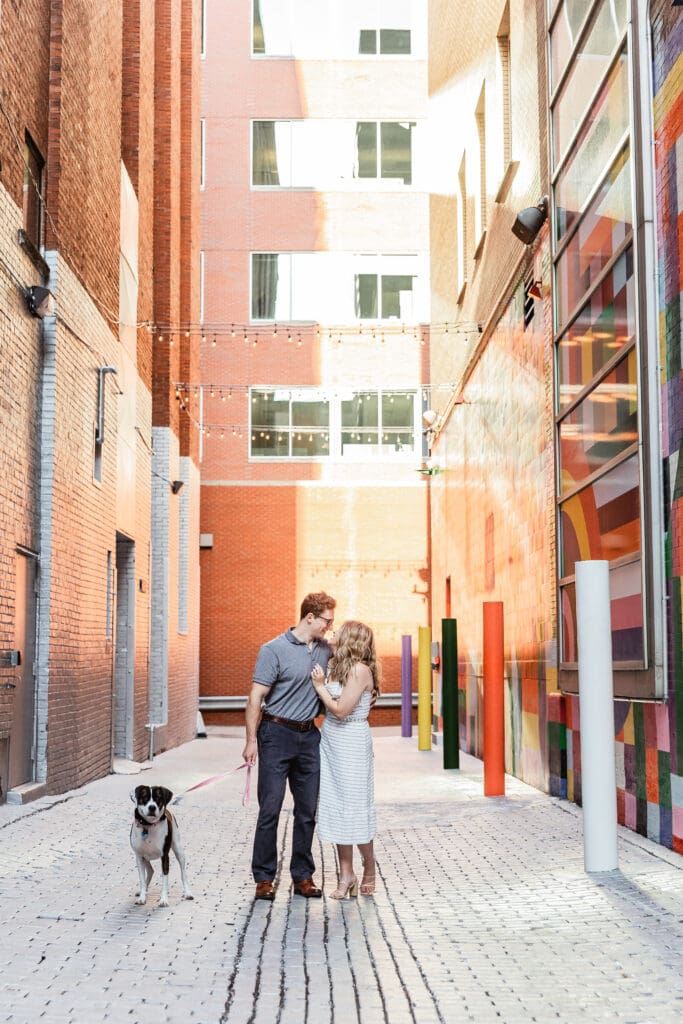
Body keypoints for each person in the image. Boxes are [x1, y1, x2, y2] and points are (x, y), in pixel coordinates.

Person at [243, 592, 336, 901]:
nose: (329, 626)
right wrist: (250, 741)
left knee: (307, 811)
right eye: (326, 620)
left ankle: (303, 876)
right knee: (270, 808)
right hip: (275, 734)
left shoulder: (326, 650)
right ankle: (264, 878)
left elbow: (352, 669)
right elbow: (256, 697)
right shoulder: (274, 650)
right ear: (309, 617)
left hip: (309, 737)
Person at [311, 620, 379, 899]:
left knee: (355, 808)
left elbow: (340, 710)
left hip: (351, 742)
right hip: (331, 742)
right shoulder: (335, 667)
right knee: (337, 806)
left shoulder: (360, 671)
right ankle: (346, 874)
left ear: (351, 638)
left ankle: (370, 865)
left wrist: (319, 686)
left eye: (339, 629)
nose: (333, 630)